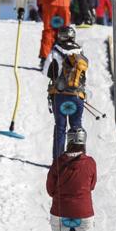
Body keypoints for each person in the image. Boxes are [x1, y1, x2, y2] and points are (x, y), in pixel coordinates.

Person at [44, 25, 88, 161]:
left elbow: (48, 72)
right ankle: (78, 161)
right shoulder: (80, 52)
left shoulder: (55, 50)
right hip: (77, 96)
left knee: (60, 128)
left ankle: (58, 161)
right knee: (76, 127)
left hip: (60, 96)